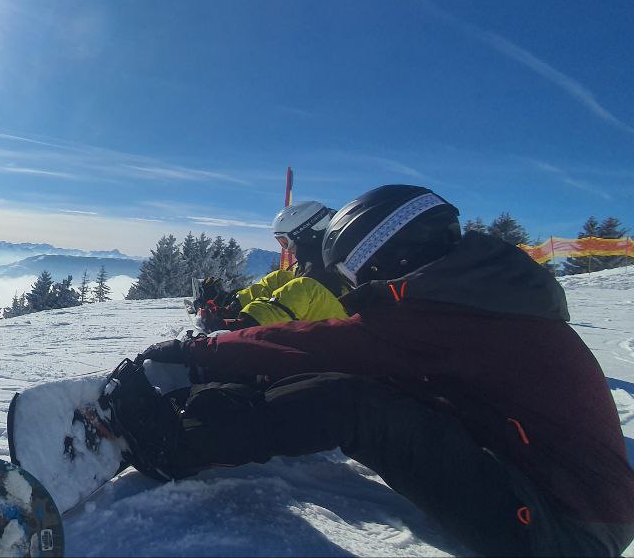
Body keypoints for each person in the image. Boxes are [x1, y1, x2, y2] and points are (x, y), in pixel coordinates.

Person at [113, 185, 634, 556]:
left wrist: (206, 350)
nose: (359, 288)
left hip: (561, 532)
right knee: (372, 386)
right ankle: (215, 416)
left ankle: (177, 446)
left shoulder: (455, 314)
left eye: (358, 275)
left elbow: (330, 345)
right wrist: (225, 357)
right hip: (559, 498)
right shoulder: (482, 297)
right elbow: (360, 353)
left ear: (386, 258)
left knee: (358, 404)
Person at [191, 201, 349, 332]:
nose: (287, 248)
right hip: (324, 317)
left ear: (305, 235)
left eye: (285, 242)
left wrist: (245, 324)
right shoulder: (313, 259)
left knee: (302, 287)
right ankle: (230, 307)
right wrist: (234, 303)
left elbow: (297, 297)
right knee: (280, 278)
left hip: (339, 329)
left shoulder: (330, 261)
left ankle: (244, 325)